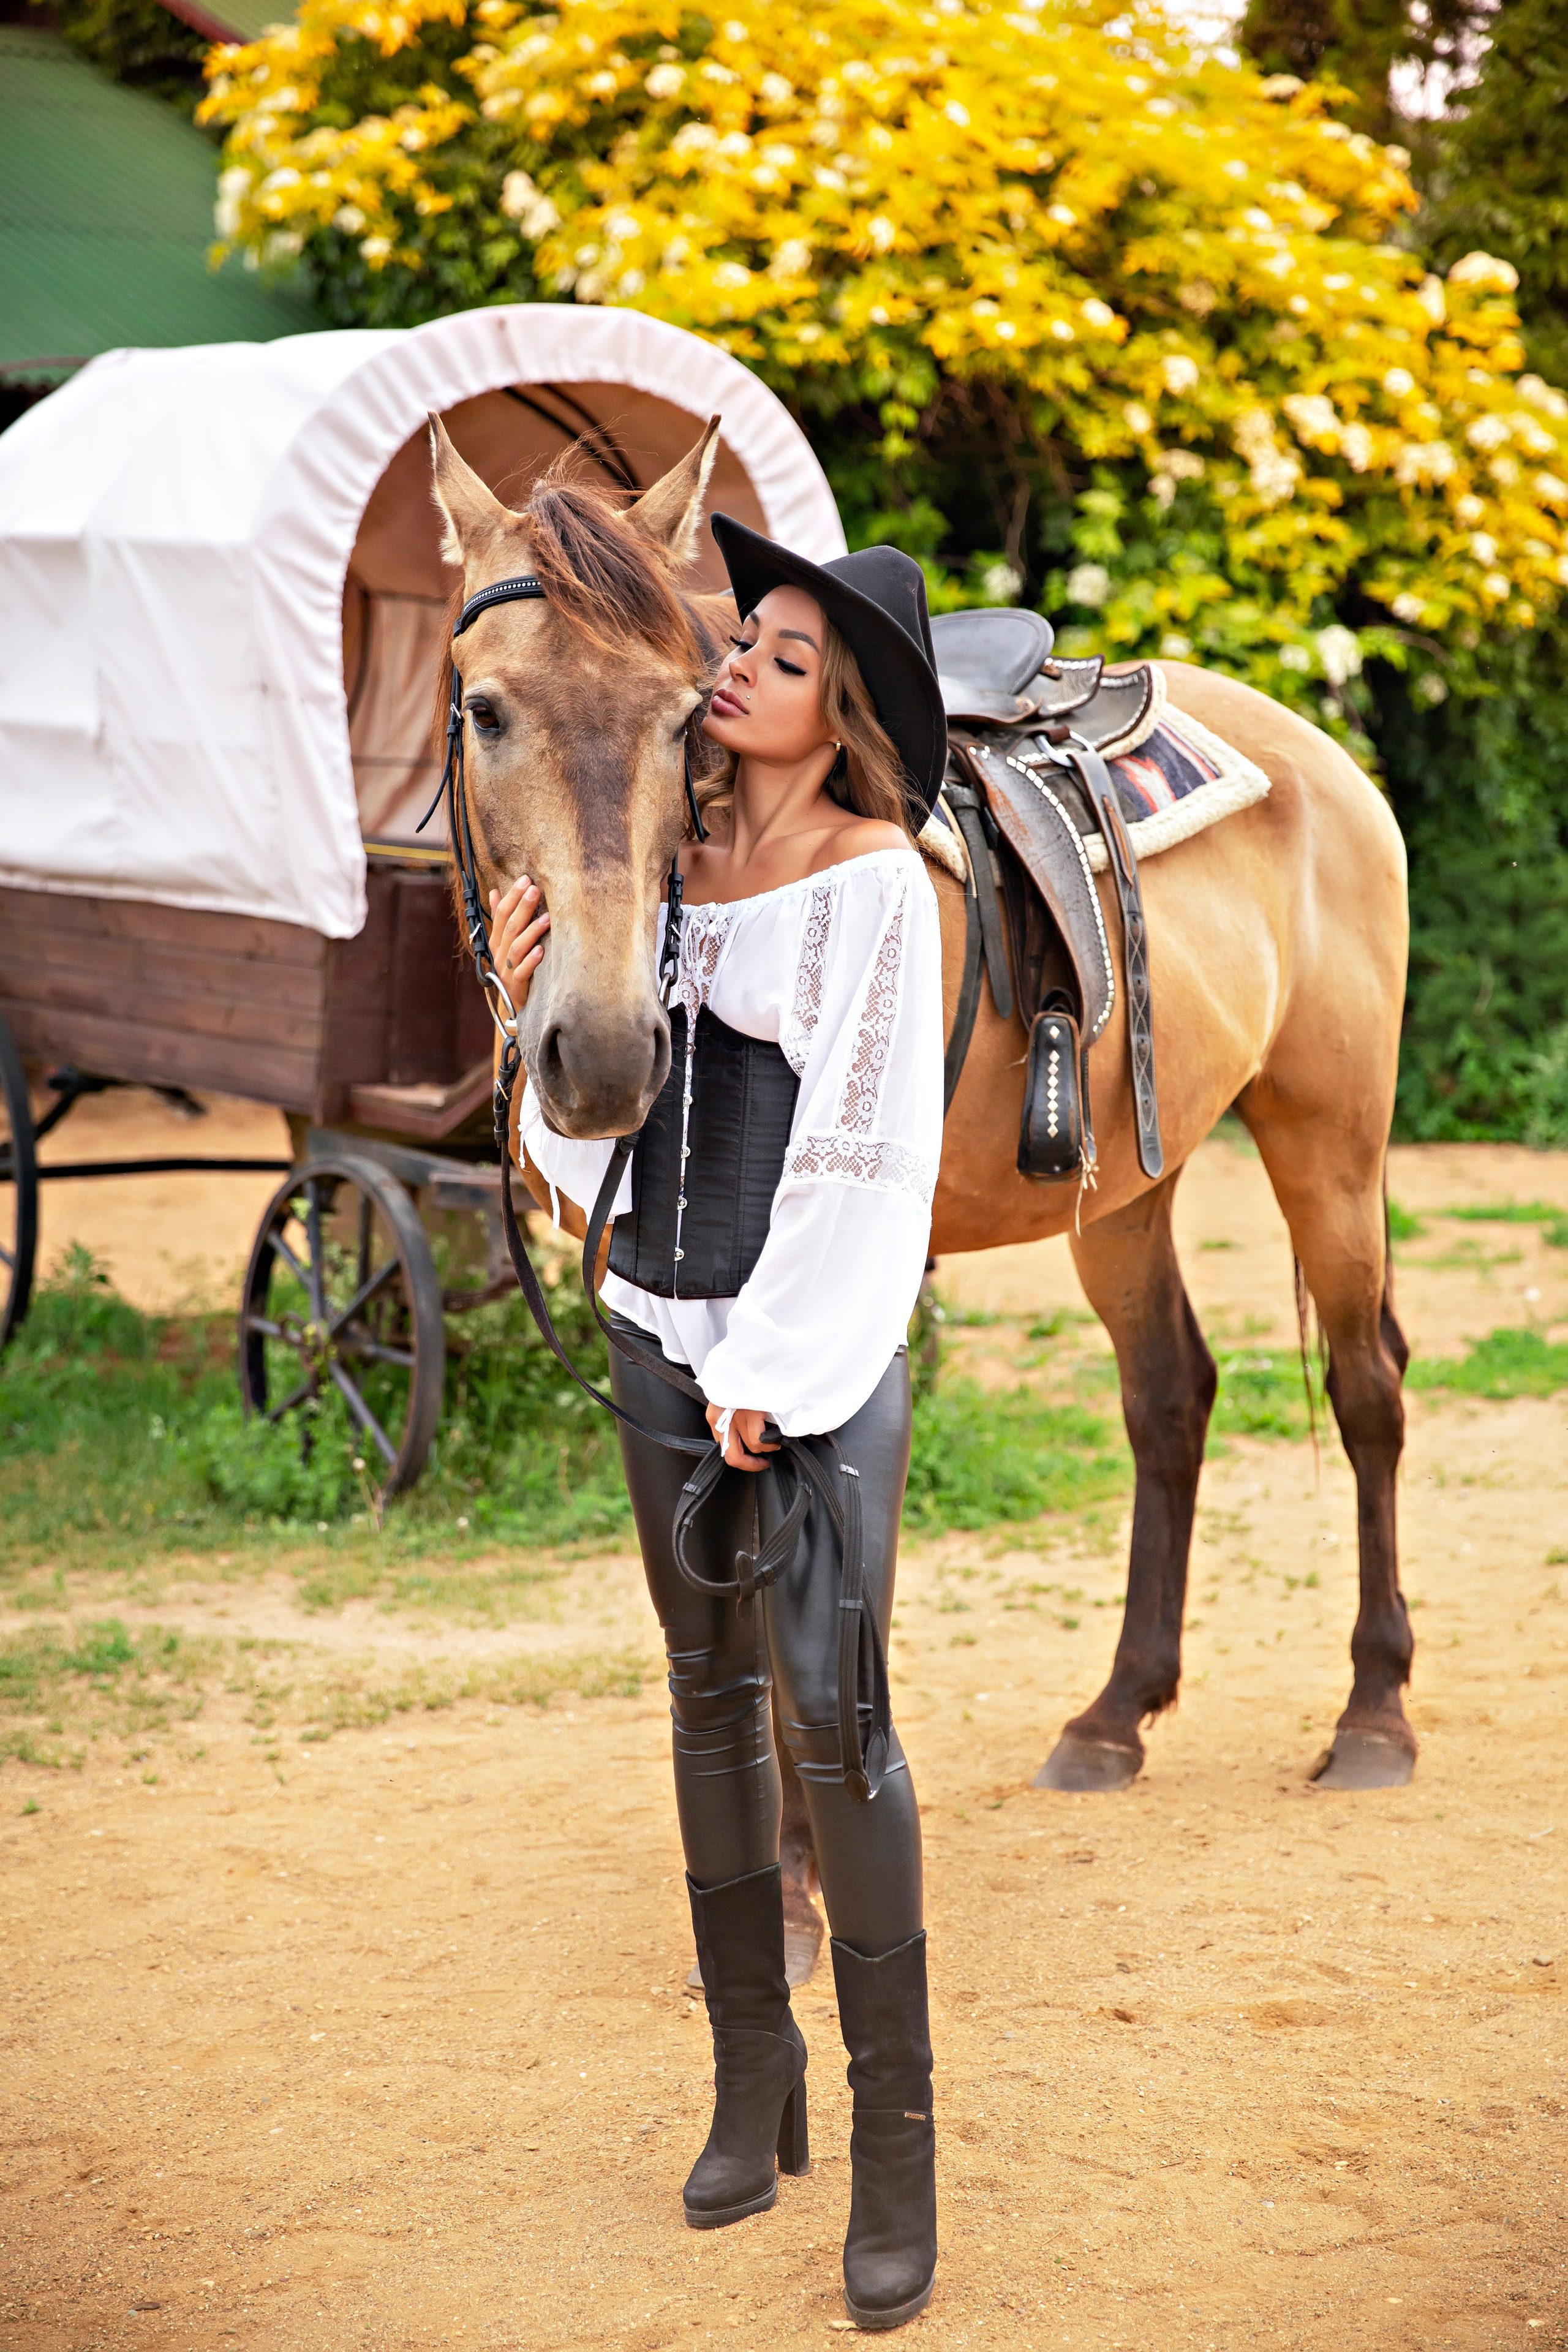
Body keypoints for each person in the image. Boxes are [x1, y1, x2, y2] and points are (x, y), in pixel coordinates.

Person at [490, 514, 947, 2332]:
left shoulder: (874, 882)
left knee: (836, 1727)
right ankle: (750, 2090)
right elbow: (594, 1148)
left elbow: (862, 1159)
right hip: (653, 1328)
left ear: (837, 714)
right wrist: (533, 984)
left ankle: (897, 2151)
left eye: (779, 651)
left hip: (800, 1358)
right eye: (739, 637)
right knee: (700, 1699)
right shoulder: (661, 872)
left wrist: (771, 1365)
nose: (739, 660)